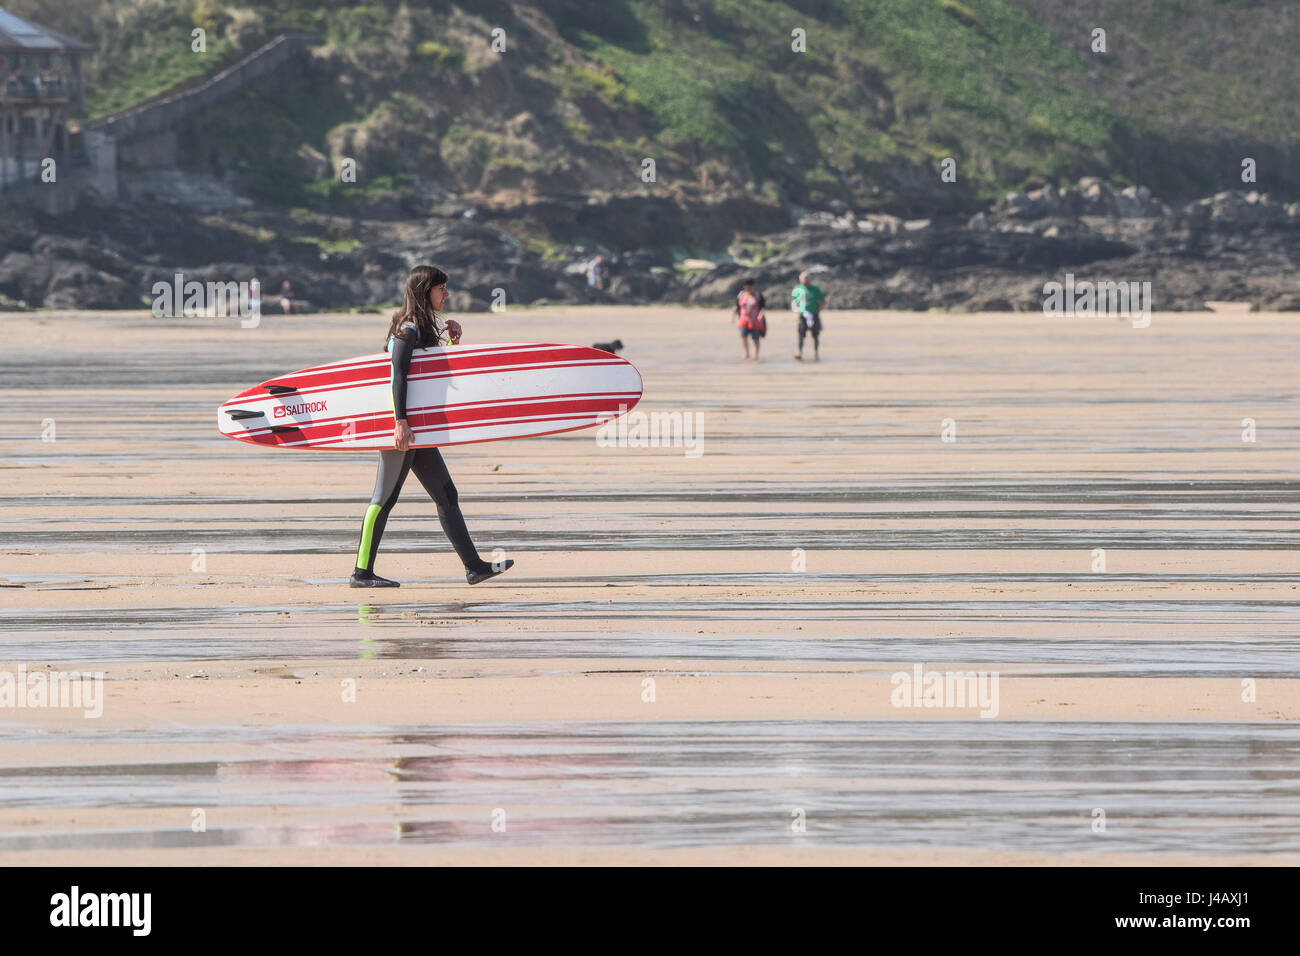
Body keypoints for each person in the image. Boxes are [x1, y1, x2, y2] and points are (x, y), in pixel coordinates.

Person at [350, 264, 514, 588]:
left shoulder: (423, 328)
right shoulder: (408, 329)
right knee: (384, 497)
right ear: (426, 292)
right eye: (442, 289)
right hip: (402, 426)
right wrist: (400, 423)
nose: (447, 295)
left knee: (446, 494)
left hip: (418, 428)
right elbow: (398, 376)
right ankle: (361, 573)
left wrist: (453, 342)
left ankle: (474, 567)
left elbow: (436, 379)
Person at [791, 271, 827, 361]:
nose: (805, 281)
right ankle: (800, 353)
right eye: (803, 279)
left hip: (814, 314)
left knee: (815, 335)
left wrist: (818, 311)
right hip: (802, 315)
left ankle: (816, 353)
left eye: (807, 279)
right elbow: (794, 302)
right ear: (800, 280)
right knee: (801, 335)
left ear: (809, 279)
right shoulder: (797, 289)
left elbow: (823, 301)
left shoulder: (815, 289)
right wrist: (796, 312)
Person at [731, 277, 766, 360]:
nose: (748, 288)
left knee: (755, 338)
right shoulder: (741, 295)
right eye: (746, 287)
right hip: (743, 319)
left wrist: (761, 315)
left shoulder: (758, 295)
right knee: (743, 336)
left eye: (750, 287)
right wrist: (733, 316)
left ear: (753, 286)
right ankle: (746, 353)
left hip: (755, 321)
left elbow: (762, 308)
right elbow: (736, 306)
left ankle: (756, 355)